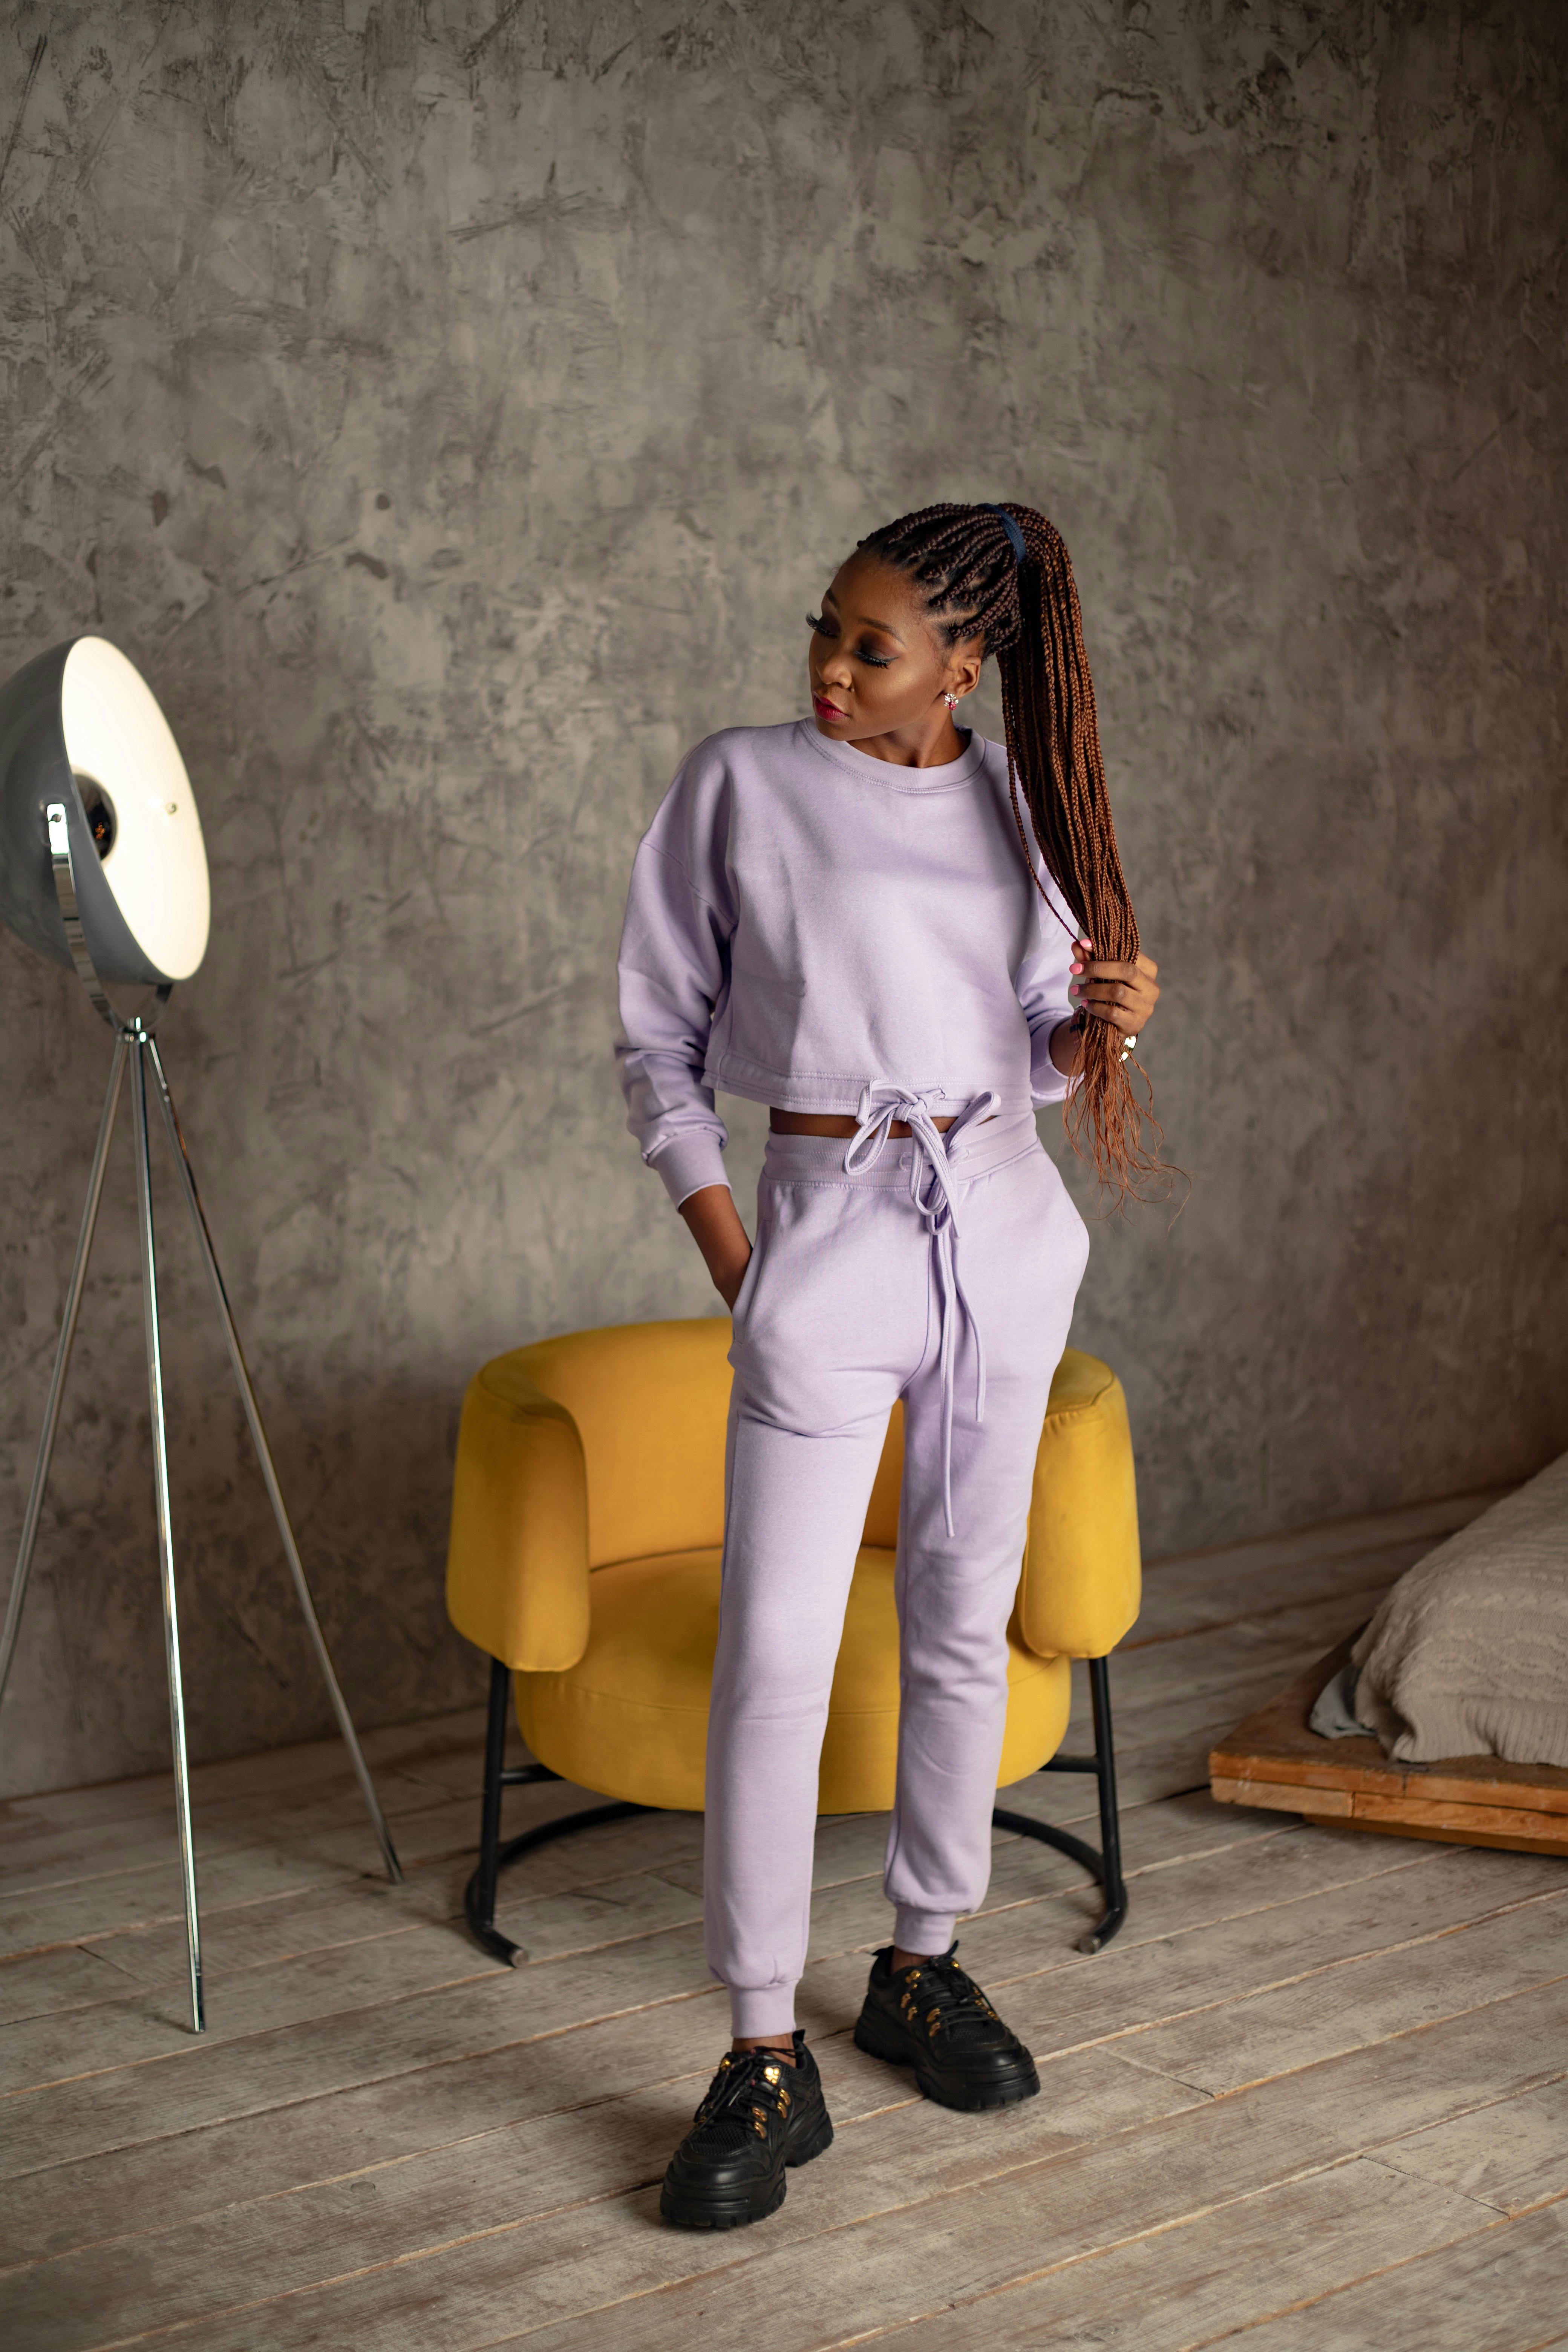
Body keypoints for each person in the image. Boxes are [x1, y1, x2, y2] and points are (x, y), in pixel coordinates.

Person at [614, 501, 1162, 2230]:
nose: (831, 670)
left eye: (873, 646)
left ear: (965, 663)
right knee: (772, 1652)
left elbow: (1037, 1052)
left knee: (957, 1609)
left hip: (999, 1225)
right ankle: (761, 2047)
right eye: (825, 632)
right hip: (821, 1224)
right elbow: (653, 1037)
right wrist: (738, 1253)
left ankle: (922, 1959)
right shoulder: (741, 784)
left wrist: (1105, 1018)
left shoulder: (1021, 803)